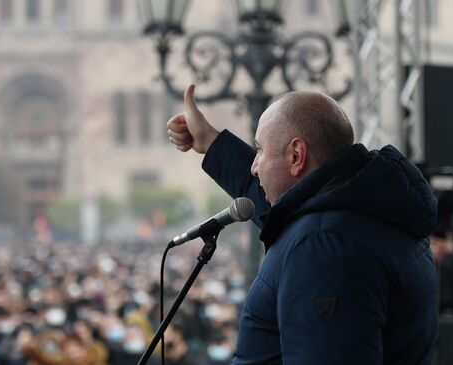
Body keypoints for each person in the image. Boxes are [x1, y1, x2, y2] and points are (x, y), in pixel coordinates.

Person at [167, 84, 438, 364]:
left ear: (296, 156)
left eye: (260, 150)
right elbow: (282, 212)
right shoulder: (358, 213)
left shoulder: (322, 246)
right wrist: (212, 143)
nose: (254, 166)